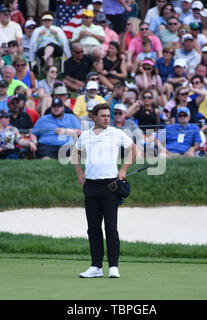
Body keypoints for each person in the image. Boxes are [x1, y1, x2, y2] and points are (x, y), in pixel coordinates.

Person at [73, 103, 136, 279]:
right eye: (103, 116)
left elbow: (133, 149)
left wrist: (123, 170)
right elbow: (75, 152)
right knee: (93, 228)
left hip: (111, 186)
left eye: (108, 115)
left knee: (111, 227)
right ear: (94, 117)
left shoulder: (116, 133)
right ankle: (96, 266)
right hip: (91, 186)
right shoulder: (85, 135)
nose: (107, 118)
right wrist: (79, 172)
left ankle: (113, 266)